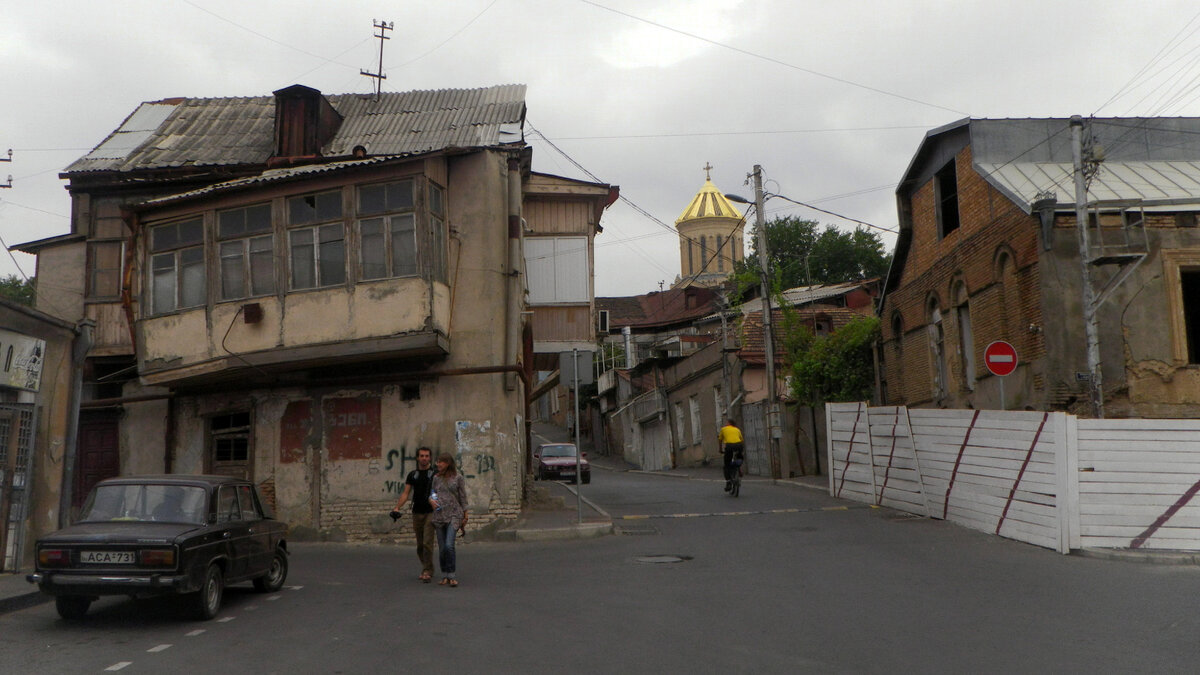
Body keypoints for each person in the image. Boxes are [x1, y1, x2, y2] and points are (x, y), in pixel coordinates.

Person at [391, 447, 437, 583]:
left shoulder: (434, 473)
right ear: (417, 458)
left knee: (428, 542)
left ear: (430, 457)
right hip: (416, 511)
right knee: (420, 545)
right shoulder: (413, 475)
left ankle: (427, 570)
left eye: (427, 456)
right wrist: (397, 507)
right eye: (422, 456)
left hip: (431, 511)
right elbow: (406, 493)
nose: (424, 458)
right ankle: (427, 567)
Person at [430, 452, 469, 587]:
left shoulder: (458, 478)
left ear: (448, 463)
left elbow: (463, 497)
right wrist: (432, 501)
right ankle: (445, 574)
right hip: (439, 515)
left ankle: (452, 574)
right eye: (438, 462)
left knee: (449, 545)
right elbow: (433, 492)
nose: (438, 464)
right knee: (442, 548)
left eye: (441, 462)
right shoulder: (436, 478)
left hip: (454, 514)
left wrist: (466, 514)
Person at [718, 418, 745, 492]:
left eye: (727, 423)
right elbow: (741, 440)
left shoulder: (723, 429)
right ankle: (739, 470)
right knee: (740, 458)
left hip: (729, 446)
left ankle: (728, 482)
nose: (726, 424)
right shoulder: (737, 429)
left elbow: (720, 440)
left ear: (729, 423)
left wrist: (720, 450)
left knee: (726, 465)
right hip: (739, 445)